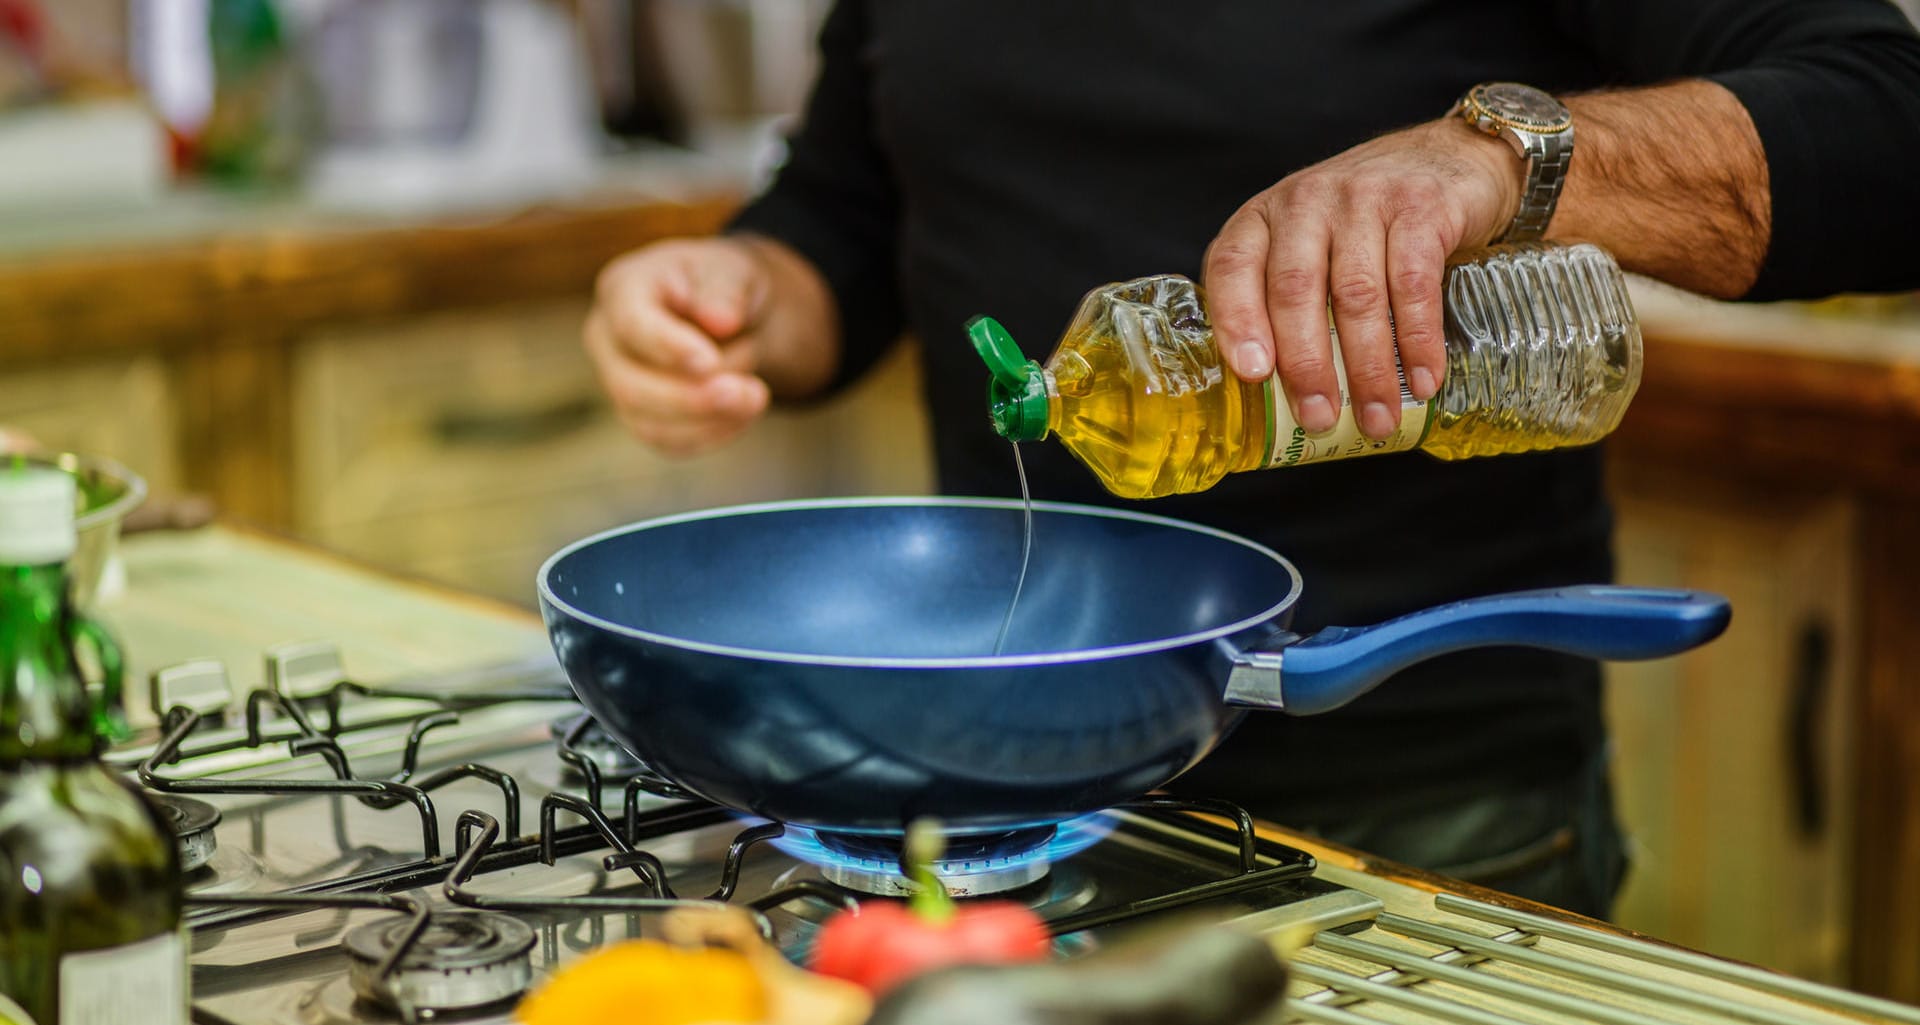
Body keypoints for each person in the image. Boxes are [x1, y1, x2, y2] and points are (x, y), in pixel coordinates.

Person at [584, 1, 1920, 916]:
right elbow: (847, 205)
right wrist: (747, 286)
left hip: (1413, 806)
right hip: (991, 800)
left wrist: (1501, 159)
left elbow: (1885, 124)